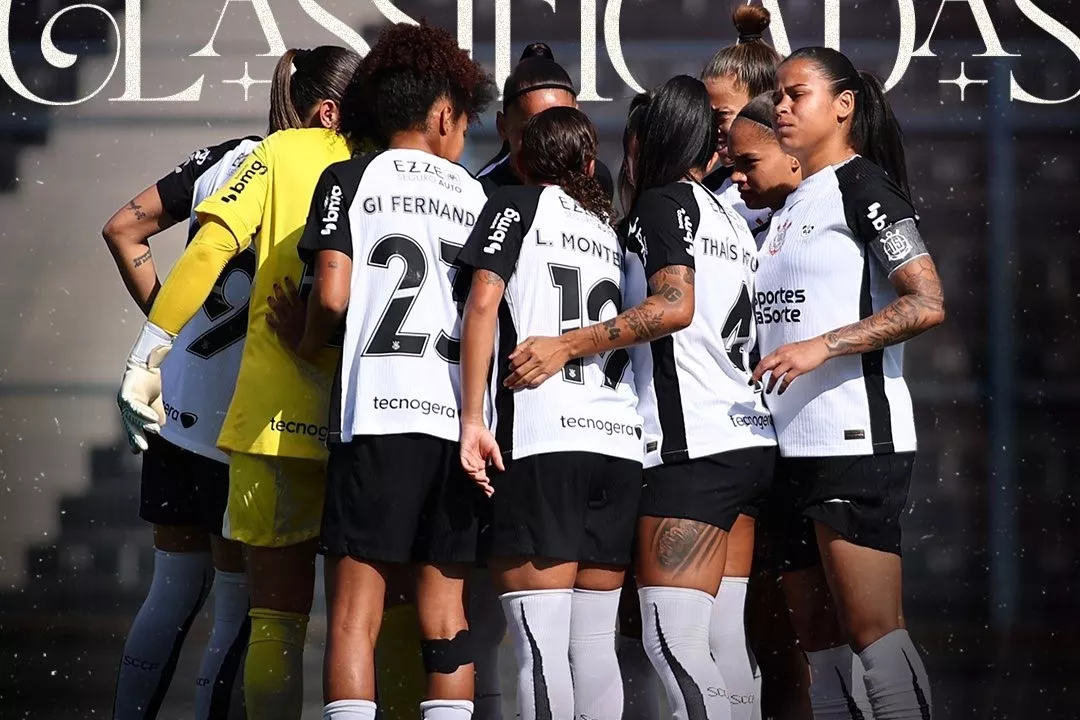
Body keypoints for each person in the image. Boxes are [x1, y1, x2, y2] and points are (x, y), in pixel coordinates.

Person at [503, 74, 777, 720]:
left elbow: (675, 305)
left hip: (692, 450)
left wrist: (568, 344)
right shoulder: (726, 217)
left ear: (647, 143)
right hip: (744, 438)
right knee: (722, 640)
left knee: (671, 639)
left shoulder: (661, 203)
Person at [103, 46, 358, 720]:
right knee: (238, 612)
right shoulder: (339, 176)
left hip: (182, 403)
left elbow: (124, 229)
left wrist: (173, 334)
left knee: (168, 594)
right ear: (330, 109)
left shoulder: (233, 156)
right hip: (251, 419)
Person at [270, 21, 496, 720]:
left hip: (379, 418)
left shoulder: (349, 178)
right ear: (442, 114)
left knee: (353, 621)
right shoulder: (476, 198)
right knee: (445, 617)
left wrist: (302, 339)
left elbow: (332, 297)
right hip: (459, 425)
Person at [752, 46, 945, 720]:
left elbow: (926, 302)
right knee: (820, 650)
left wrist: (823, 346)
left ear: (843, 105)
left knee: (873, 634)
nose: (780, 105)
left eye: (795, 93)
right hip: (789, 453)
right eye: (775, 93)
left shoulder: (863, 186)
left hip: (853, 440)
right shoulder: (790, 202)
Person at [457, 106, 642, 720]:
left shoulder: (516, 202)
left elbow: (482, 302)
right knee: (594, 649)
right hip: (618, 445)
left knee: (539, 652)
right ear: (590, 164)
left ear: (522, 162)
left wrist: (471, 419)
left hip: (545, 439)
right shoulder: (612, 232)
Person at [725, 94, 814, 720]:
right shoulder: (720, 210)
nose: (731, 170)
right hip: (743, 442)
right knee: (740, 624)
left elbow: (919, 303)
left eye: (745, 157)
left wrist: (825, 346)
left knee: (813, 637)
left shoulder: (837, 202)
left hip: (819, 447)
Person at [477, 46, 615, 200]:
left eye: (563, 126)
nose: (548, 143)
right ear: (503, 127)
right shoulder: (482, 195)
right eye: (532, 131)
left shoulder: (596, 179)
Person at [701, 4, 783, 237]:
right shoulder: (709, 195)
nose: (713, 128)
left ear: (763, 104)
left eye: (722, 115)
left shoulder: (815, 185)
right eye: (708, 116)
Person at [476, 41, 556, 176]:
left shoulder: (595, 177)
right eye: (529, 131)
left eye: (559, 126)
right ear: (503, 126)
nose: (546, 141)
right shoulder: (484, 189)